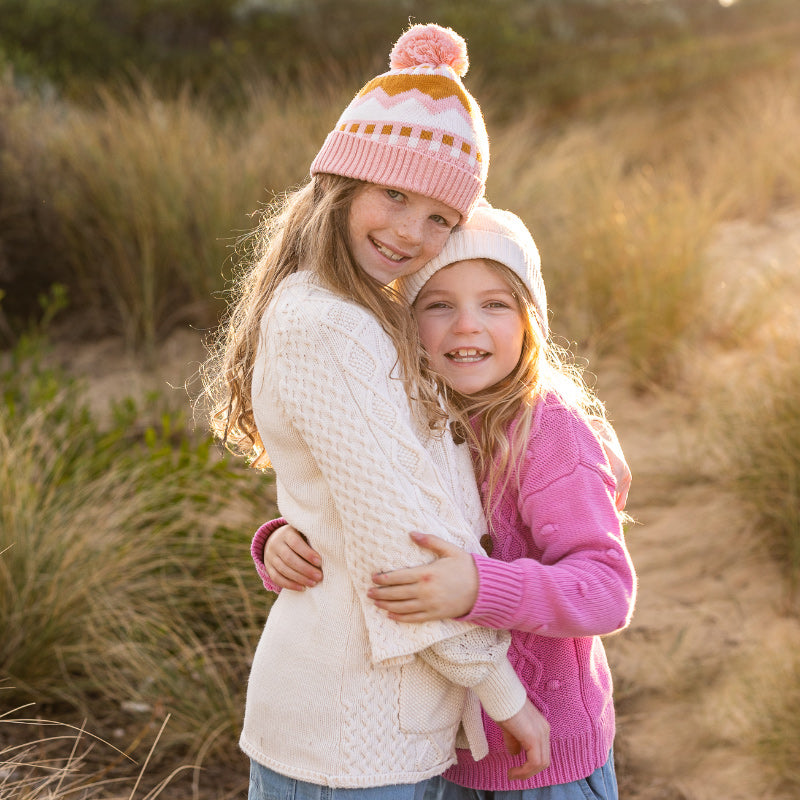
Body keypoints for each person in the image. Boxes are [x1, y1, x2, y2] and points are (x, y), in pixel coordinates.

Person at [202, 23, 551, 800]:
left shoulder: (367, 314)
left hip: (384, 727)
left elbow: (359, 485)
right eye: (394, 194)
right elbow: (401, 539)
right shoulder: (328, 324)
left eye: (439, 219)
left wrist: (290, 529)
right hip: (346, 735)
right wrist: (505, 697)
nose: (408, 233)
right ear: (342, 183)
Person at [254, 203, 637, 800]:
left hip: (544, 760)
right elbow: (372, 510)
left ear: (530, 320)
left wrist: (480, 589)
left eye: (495, 304)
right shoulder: (412, 411)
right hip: (443, 750)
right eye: (438, 305)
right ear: (405, 323)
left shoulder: (549, 432)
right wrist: (282, 538)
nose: (466, 327)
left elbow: (606, 589)